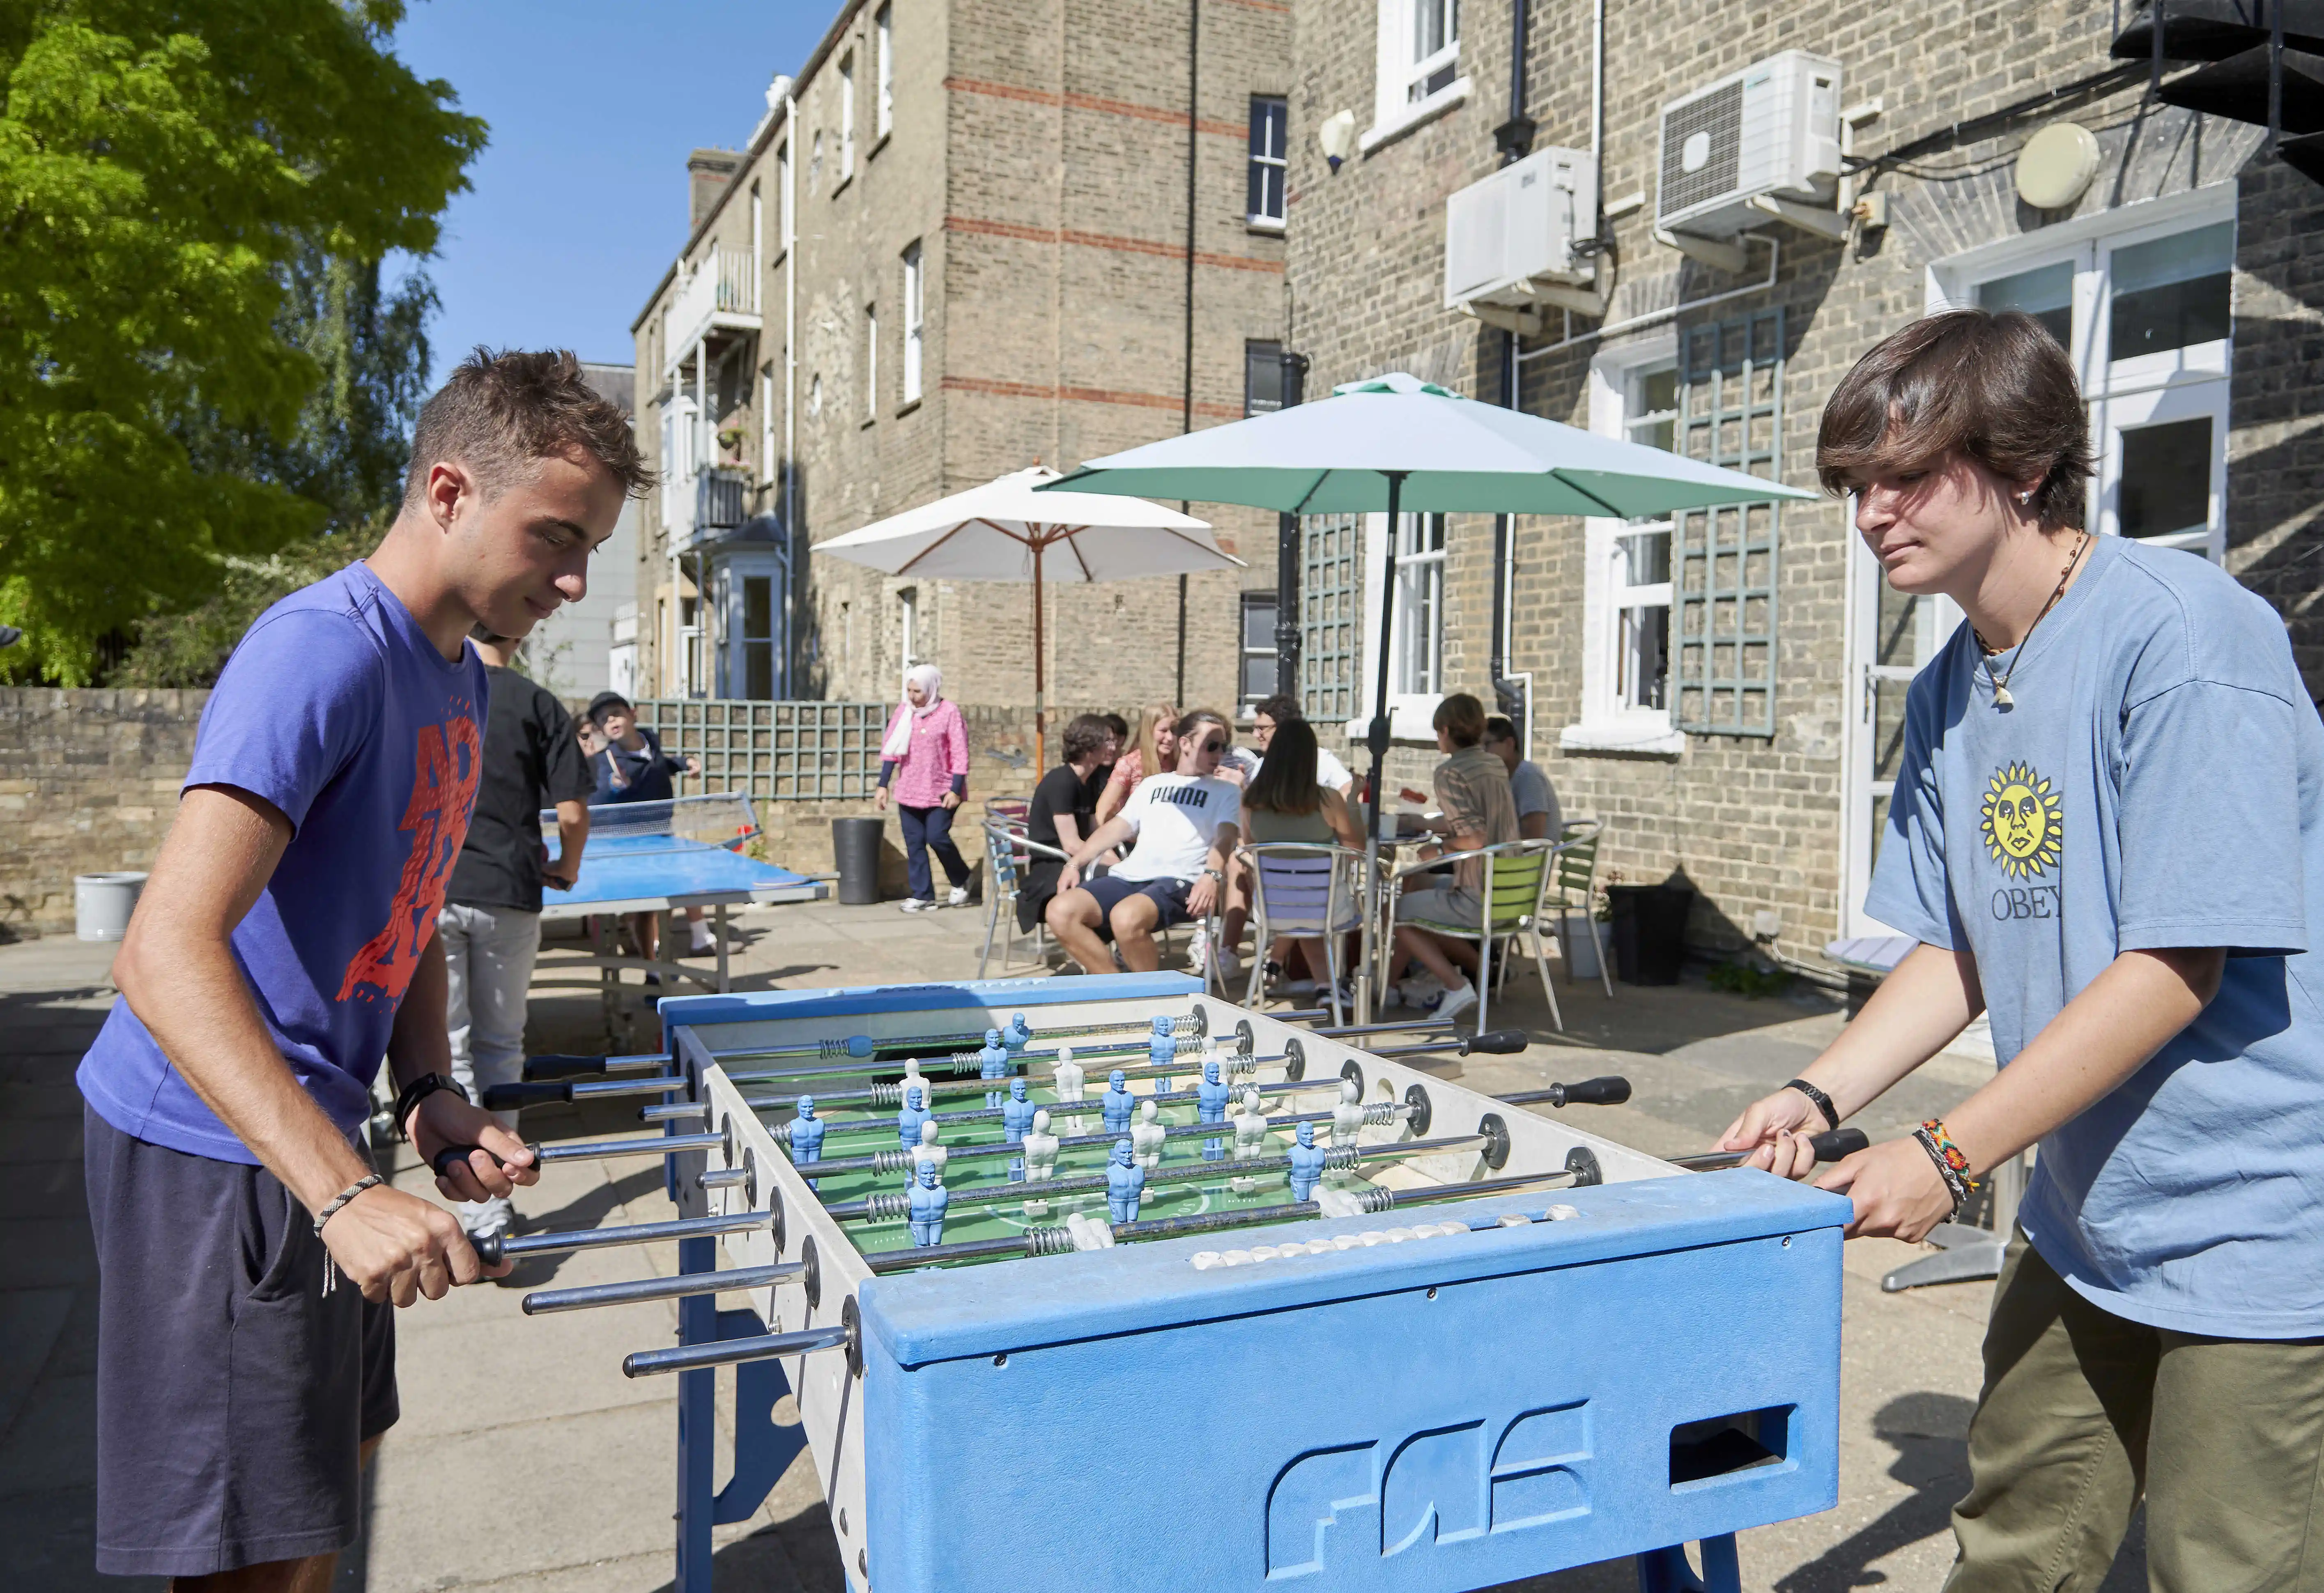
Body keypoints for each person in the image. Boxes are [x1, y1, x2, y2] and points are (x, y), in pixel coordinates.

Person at [1722, 308, 2324, 1593]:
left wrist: (1945, 1152)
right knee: (2014, 1545)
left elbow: (2174, 969)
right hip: (2080, 1210)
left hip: (2258, 1218)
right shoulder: (1949, 684)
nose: (1871, 510)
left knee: (2226, 1569)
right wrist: (1816, 1095)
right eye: (1854, 484)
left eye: (1905, 473)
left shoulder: (2185, 641)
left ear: (2024, 463)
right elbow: (1962, 945)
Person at [75, 349, 642, 1585]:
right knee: (253, 1551)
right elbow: (162, 950)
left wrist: (427, 1091)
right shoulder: (318, 653)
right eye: (555, 535)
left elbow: (407, 910)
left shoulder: (453, 674)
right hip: (215, 1151)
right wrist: (343, 1194)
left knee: (335, 1477)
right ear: (448, 493)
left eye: (590, 545)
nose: (573, 577)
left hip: (321, 1137)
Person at [439, 627, 595, 1240]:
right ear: (521, 632)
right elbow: (573, 812)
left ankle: (477, 1210)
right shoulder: (537, 704)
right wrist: (569, 864)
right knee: (500, 1047)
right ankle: (496, 1193)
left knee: (448, 1052)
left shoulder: (428, 693)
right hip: (509, 887)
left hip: (433, 892)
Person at [1048, 709, 1240, 975]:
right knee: (1060, 911)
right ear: (1184, 743)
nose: (1219, 753)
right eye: (1211, 745)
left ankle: (1153, 996)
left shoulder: (1226, 790)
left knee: (1126, 917)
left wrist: (1212, 875)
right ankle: (1119, 989)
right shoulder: (1152, 785)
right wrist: (1074, 863)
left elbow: (1227, 835)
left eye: (1223, 746)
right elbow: (1116, 827)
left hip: (1181, 881)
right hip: (1131, 875)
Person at [1387, 692, 1517, 1023]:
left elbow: (1475, 836)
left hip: (1478, 894)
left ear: (1445, 730)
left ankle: (1456, 984)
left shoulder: (1450, 773)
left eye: (1437, 733)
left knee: (1395, 912)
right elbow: (1479, 819)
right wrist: (1426, 822)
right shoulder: (1494, 764)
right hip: (1511, 890)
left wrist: (1438, 849)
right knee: (1417, 883)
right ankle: (1387, 985)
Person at [1239, 718, 1365, 1001]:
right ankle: (1332, 986)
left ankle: (1324, 985)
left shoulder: (1249, 800)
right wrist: (1353, 800)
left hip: (1272, 910)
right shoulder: (1329, 799)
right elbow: (1357, 850)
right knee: (1316, 900)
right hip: (1325, 909)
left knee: (1302, 899)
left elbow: (1249, 847)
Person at [585, 690, 712, 961]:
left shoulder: (649, 741)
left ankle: (688, 942)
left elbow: (657, 765)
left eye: (616, 713)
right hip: (629, 842)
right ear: (601, 729)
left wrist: (682, 763)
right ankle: (651, 955)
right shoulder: (605, 762)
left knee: (681, 882)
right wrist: (614, 789)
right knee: (648, 901)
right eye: (605, 720)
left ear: (632, 714)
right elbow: (596, 806)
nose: (612, 721)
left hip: (661, 832)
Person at [875, 662, 972, 911]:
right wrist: (883, 785)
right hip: (909, 789)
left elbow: (960, 752)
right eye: (909, 690)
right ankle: (923, 894)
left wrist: (956, 788)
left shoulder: (950, 712)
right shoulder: (904, 712)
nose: (912, 697)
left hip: (942, 790)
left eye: (917, 691)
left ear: (931, 688)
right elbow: (891, 749)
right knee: (915, 843)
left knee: (937, 837)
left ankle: (961, 878)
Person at [1019, 713, 1117, 933]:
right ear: (1090, 745)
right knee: (1114, 883)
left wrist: (1119, 862)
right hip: (1051, 869)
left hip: (1076, 863)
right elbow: (1071, 844)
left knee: (1123, 879)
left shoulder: (1089, 782)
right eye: (1108, 741)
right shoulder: (1061, 781)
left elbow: (1096, 833)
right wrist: (1115, 866)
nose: (1114, 747)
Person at [1092, 700, 1179, 830]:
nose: (1170, 737)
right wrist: (1107, 849)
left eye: (1174, 730)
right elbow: (1103, 811)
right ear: (1149, 731)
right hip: (1132, 843)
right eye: (1164, 731)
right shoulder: (1130, 763)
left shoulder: (1176, 763)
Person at [1251, 694, 1354, 793]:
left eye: (1261, 728)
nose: (1255, 735)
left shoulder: (1321, 759)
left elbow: (1348, 790)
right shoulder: (1261, 764)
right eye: (1255, 728)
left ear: (1284, 728)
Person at [1483, 715, 1560, 841]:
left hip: (1530, 860)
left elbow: (1533, 837)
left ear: (1509, 744)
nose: (1481, 752)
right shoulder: (1506, 778)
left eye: (1487, 745)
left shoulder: (1527, 776)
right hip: (1512, 855)